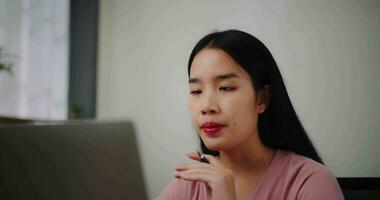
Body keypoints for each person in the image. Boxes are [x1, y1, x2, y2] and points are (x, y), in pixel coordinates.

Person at [155, 29, 344, 200]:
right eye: (196, 91)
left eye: (225, 88)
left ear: (262, 99)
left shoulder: (310, 182)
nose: (207, 106)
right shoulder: (190, 183)